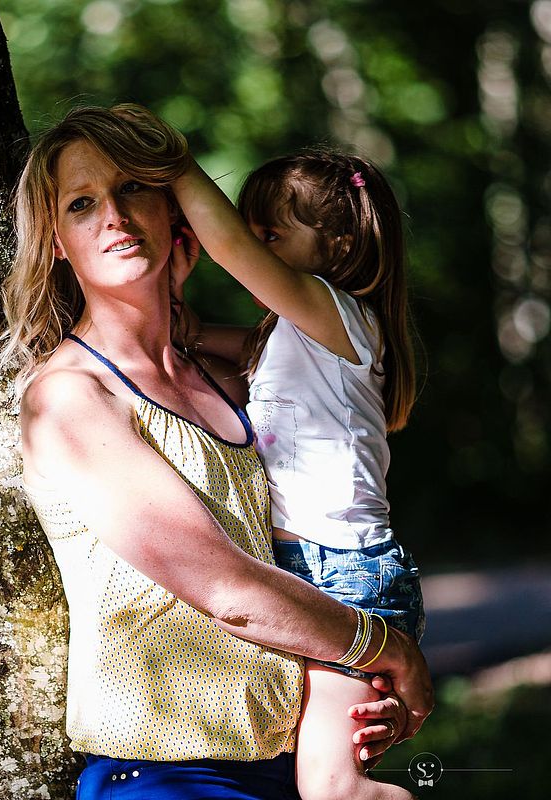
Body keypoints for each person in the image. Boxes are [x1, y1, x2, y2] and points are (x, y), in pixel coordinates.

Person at [0, 104, 432, 800]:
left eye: (134, 185)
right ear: (55, 240)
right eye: (83, 203)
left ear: (179, 212)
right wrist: (383, 648)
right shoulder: (72, 401)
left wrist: (353, 686)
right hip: (172, 779)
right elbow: (229, 590)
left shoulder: (235, 377)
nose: (113, 214)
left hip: (283, 768)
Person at [169, 149, 425, 800]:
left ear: (339, 244)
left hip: (344, 575)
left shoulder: (336, 312)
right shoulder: (297, 331)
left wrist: (168, 158)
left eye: (272, 235)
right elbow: (217, 346)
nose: (255, 247)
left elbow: (225, 243)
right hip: (303, 570)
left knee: (334, 789)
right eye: (254, 233)